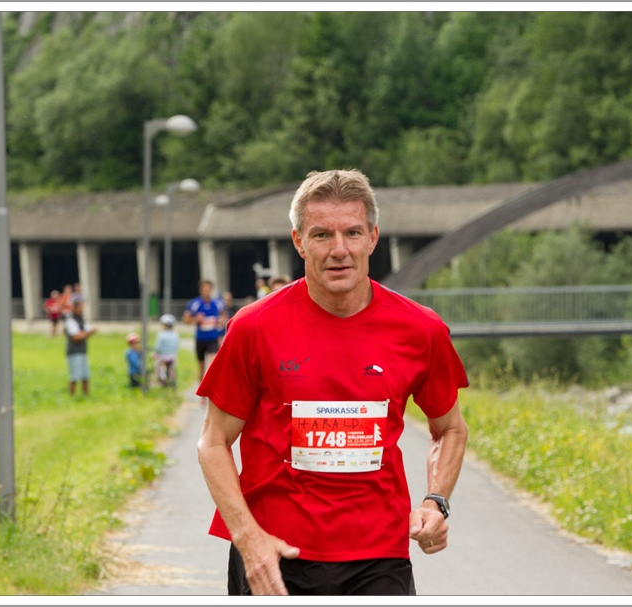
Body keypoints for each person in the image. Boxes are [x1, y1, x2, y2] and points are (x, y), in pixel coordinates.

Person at [195, 169, 469, 596]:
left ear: (373, 238)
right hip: (275, 552)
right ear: (299, 241)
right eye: (322, 235)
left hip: (379, 556)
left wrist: (436, 501)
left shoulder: (421, 330)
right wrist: (248, 538)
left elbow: (449, 428)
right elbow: (213, 442)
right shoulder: (253, 328)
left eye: (352, 233)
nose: (339, 250)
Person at [183, 279, 227, 399]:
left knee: (213, 363)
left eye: (208, 289)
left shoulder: (218, 303)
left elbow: (224, 317)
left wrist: (221, 321)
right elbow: (186, 320)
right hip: (200, 339)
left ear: (211, 290)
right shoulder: (194, 304)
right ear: (200, 290)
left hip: (213, 338)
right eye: (204, 289)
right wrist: (196, 319)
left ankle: (213, 390)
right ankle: (202, 393)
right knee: (201, 366)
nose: (206, 291)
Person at [64, 299, 97, 396]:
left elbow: (86, 332)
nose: (82, 310)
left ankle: (86, 396)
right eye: (80, 308)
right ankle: (71, 396)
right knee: (74, 377)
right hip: (74, 352)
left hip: (82, 351)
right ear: (74, 308)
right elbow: (75, 337)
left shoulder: (81, 320)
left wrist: (84, 333)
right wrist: (86, 333)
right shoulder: (70, 320)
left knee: (86, 376)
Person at [154, 314, 180, 387]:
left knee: (158, 365)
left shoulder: (161, 334)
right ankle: (172, 378)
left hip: (163, 356)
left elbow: (158, 347)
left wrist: (156, 352)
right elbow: (177, 345)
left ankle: (161, 378)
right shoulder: (175, 334)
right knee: (172, 366)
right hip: (172, 356)